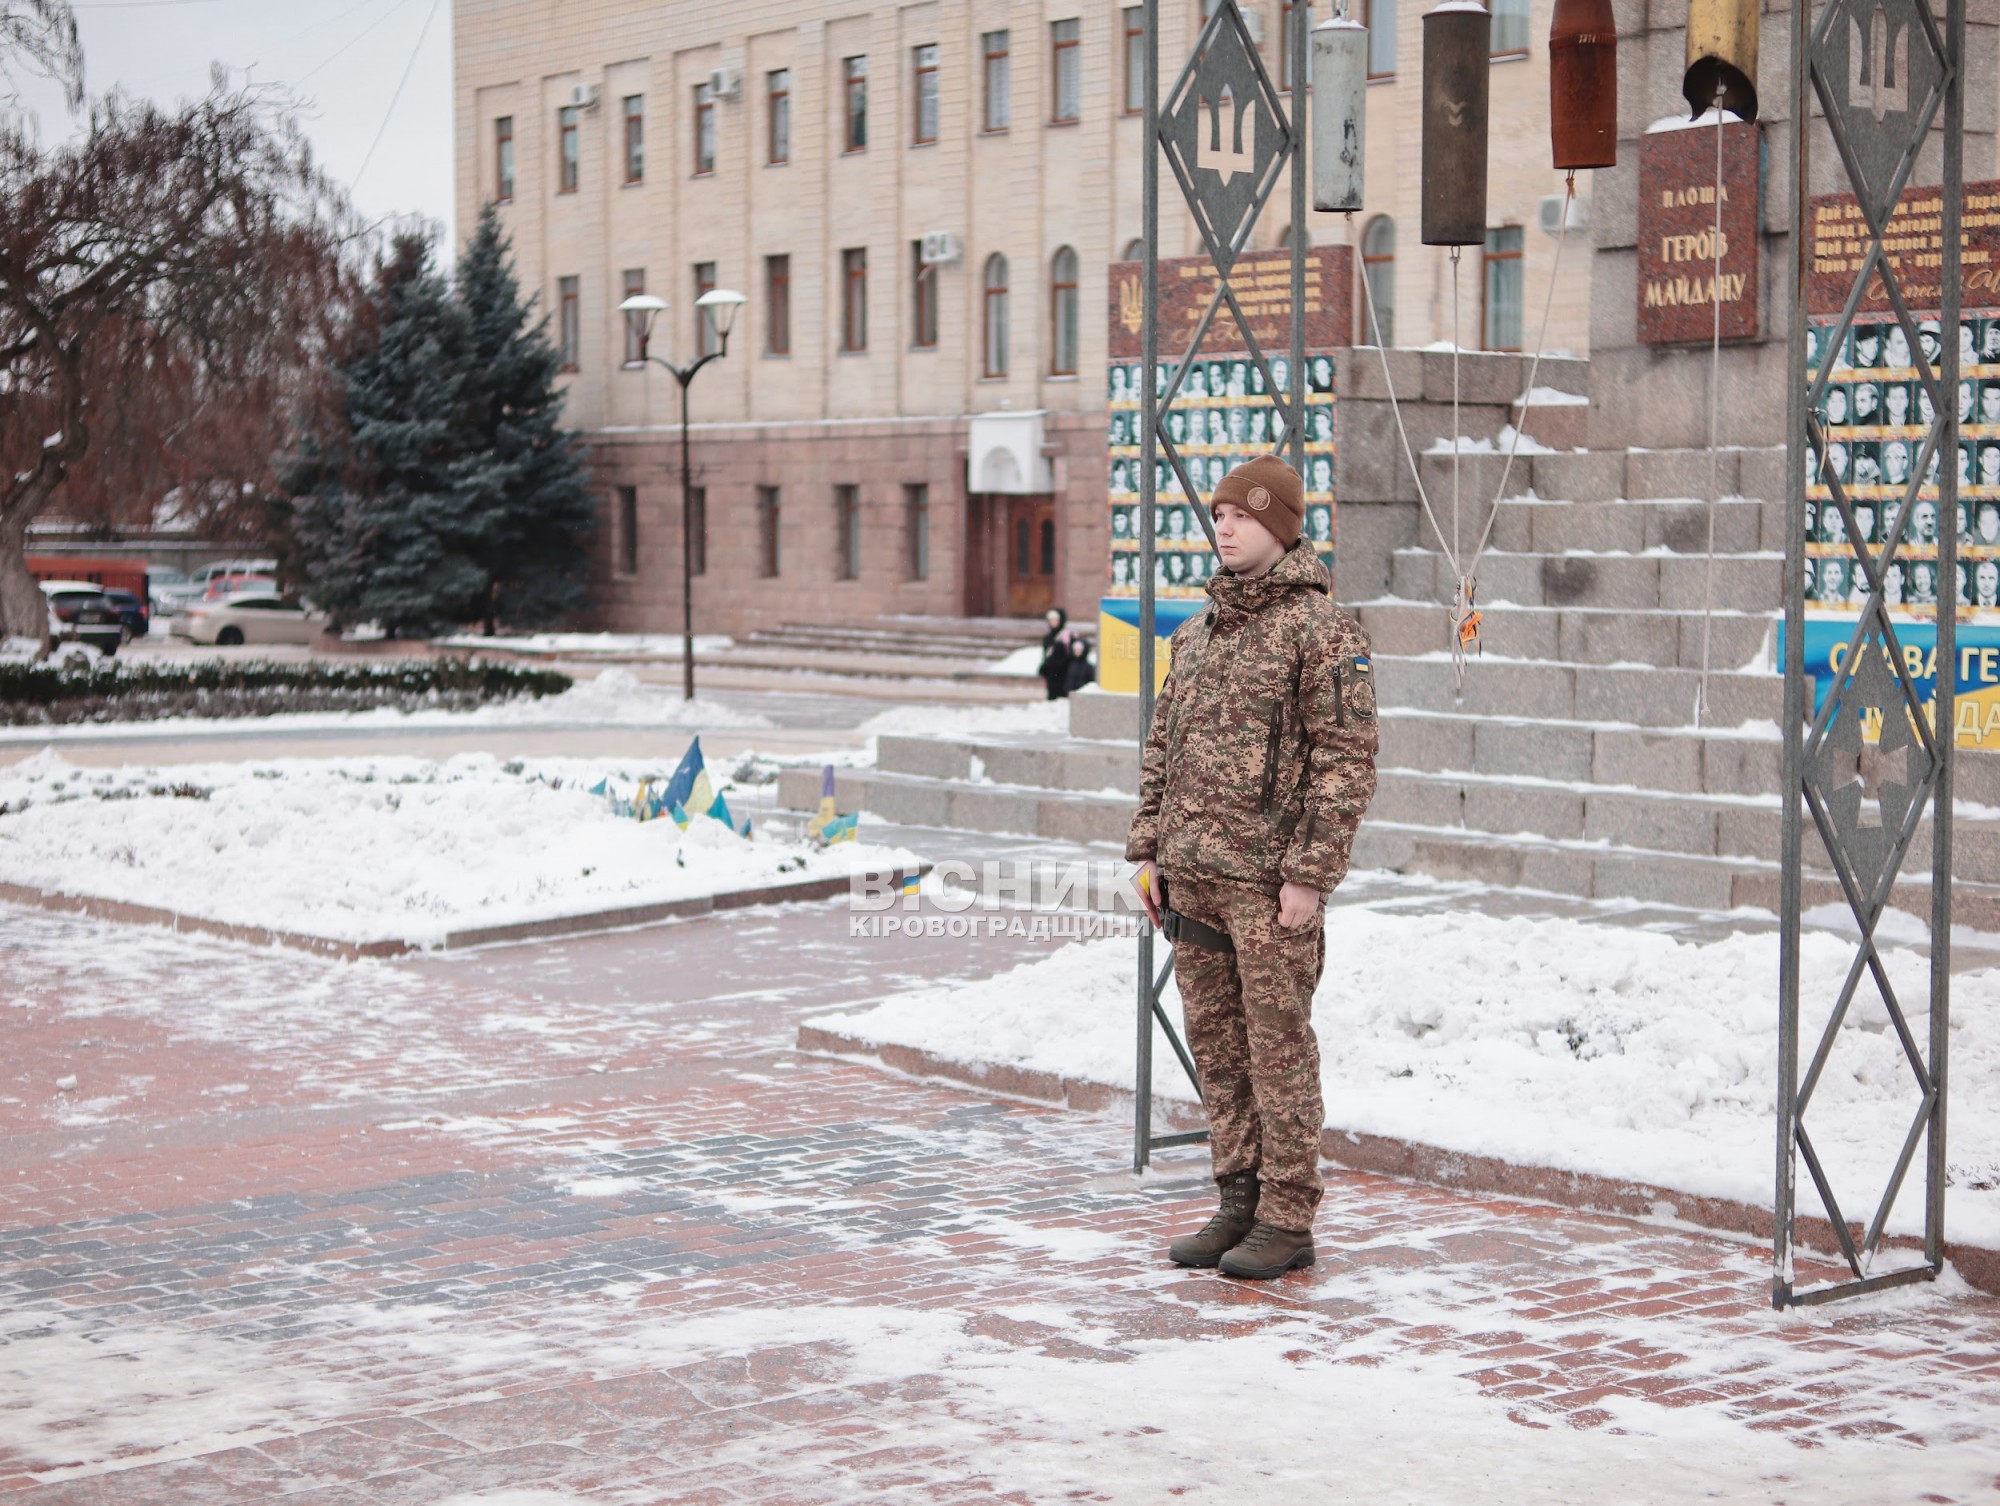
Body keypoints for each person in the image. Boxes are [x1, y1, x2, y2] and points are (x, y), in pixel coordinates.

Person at [1127, 454, 1378, 1281]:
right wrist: (1149, 849)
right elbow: (1162, 748)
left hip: (1270, 886)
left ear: (1280, 526)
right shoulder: (1197, 633)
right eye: (1220, 516)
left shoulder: (1322, 631)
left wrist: (1311, 873)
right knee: (1219, 1050)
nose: (1224, 528)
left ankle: (1287, 1215)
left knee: (1278, 1050)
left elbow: (1345, 761)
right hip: (1194, 875)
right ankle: (1237, 1198)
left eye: (1241, 516)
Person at [1039, 607, 1082, 700]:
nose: (1053, 622)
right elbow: (1046, 655)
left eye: (1055, 620)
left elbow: (1075, 654)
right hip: (1052, 674)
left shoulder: (1068, 636)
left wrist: (1063, 663)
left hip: (1065, 673)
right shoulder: (1048, 638)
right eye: (1050, 620)